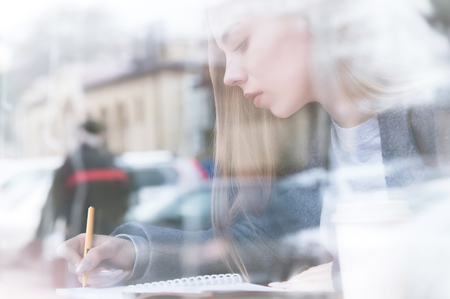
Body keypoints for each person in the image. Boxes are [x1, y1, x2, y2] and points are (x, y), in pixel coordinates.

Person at [57, 0, 450, 293]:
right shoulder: (294, 154)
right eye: (223, 54)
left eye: (241, 42)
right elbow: (249, 251)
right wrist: (132, 253)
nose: (229, 75)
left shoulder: (434, 118)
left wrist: (345, 276)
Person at [38, 120, 130, 241]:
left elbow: (57, 196)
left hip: (83, 227)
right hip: (102, 227)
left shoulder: (74, 162)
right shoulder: (109, 160)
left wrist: (61, 218)